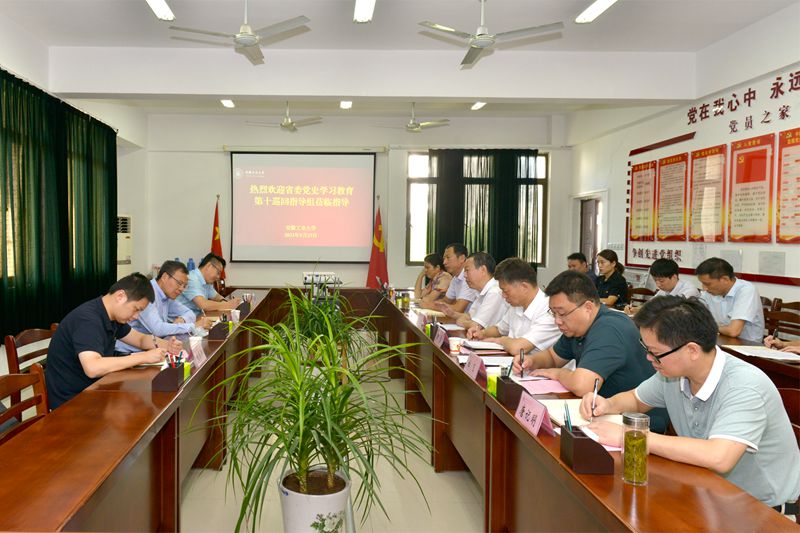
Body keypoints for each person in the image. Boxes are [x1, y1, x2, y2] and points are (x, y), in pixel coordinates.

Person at [581, 296, 800, 517]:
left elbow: (719, 457)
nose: (648, 358)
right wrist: (608, 404)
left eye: (655, 353)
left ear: (692, 350)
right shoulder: (673, 374)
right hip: (706, 495)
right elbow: (637, 399)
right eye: (645, 348)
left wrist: (631, 436)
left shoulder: (744, 385)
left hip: (760, 512)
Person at [514, 270, 667, 431]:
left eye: (562, 313)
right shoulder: (576, 327)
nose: (557, 321)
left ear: (587, 307)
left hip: (639, 424)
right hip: (601, 411)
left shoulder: (609, 328)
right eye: (553, 313)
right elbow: (552, 357)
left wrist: (558, 373)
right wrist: (532, 361)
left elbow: (582, 385)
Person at [45, 273, 183, 410]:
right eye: (136, 309)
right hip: (71, 403)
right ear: (120, 296)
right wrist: (143, 357)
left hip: (96, 390)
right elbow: (93, 367)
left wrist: (167, 345)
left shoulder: (112, 316)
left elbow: (140, 339)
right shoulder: (88, 320)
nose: (136, 316)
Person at [115, 261, 213, 354]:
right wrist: (192, 326)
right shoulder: (147, 292)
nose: (181, 289)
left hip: (152, 346)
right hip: (128, 352)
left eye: (184, 286)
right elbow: (158, 329)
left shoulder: (167, 295)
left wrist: (182, 320)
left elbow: (190, 313)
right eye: (179, 283)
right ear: (165, 277)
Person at [466, 258, 559, 356]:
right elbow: (499, 329)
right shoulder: (517, 304)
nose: (503, 296)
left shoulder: (550, 311)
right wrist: (481, 333)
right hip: (512, 361)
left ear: (524, 287)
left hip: (534, 364)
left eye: (505, 291)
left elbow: (518, 348)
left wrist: (501, 340)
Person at [695, 258, 764, 343]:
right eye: (702, 283)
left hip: (746, 346)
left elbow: (734, 331)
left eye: (707, 284)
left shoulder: (746, 290)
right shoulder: (709, 292)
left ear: (725, 279)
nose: (704, 288)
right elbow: (695, 318)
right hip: (720, 341)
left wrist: (709, 327)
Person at [437, 252, 507, 329]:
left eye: (467, 270)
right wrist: (452, 314)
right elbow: (469, 316)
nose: (464, 275)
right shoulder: (479, 291)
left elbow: (476, 325)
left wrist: (462, 322)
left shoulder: (494, 292)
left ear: (483, 270)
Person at [624, 258, 699, 314]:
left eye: (661, 281)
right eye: (655, 280)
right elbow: (651, 304)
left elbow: (674, 312)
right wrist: (635, 309)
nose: (658, 284)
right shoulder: (664, 290)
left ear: (674, 277)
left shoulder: (689, 291)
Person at [177, 253, 241, 315]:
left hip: (197, 317)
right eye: (218, 272)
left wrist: (223, 301)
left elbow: (216, 296)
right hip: (183, 320)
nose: (218, 277)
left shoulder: (207, 281)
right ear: (209, 266)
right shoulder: (191, 279)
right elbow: (203, 305)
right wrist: (227, 305)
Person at [434, 243, 478, 314]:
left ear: (462, 258)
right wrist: (434, 304)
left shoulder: (468, 278)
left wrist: (429, 305)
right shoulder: (455, 278)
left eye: (448, 258)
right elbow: (446, 301)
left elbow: (458, 309)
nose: (444, 262)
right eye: (444, 259)